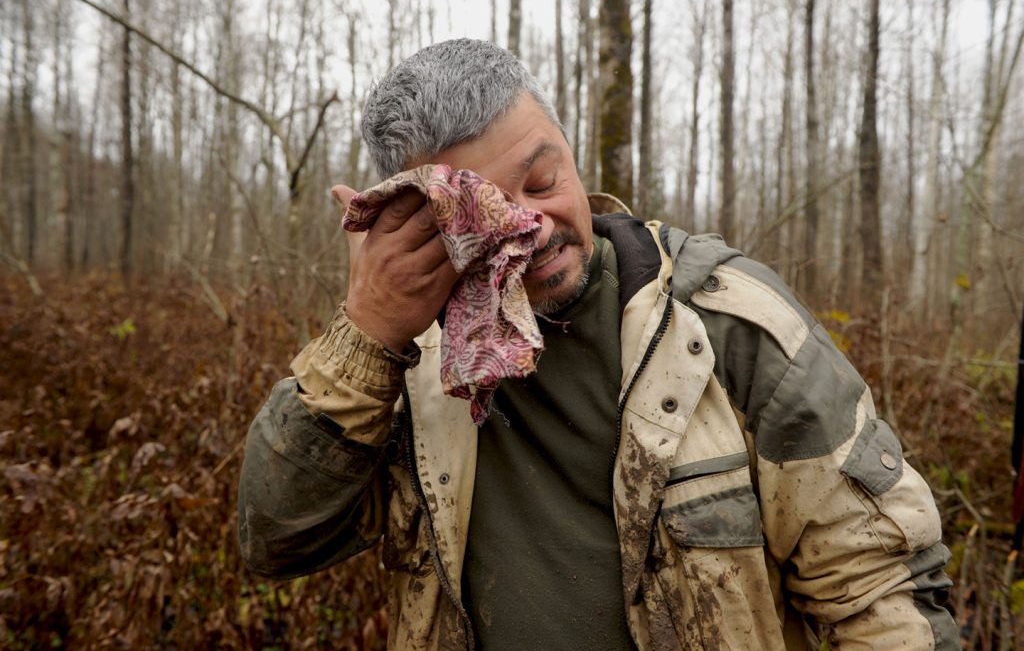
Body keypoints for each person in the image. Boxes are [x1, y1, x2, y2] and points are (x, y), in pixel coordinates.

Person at [238, 38, 957, 650]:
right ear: (429, 223)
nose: (536, 225)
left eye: (544, 180)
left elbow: (881, 585)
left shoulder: (724, 323)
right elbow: (276, 540)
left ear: (571, 153)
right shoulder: (412, 361)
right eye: (490, 215)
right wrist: (367, 330)